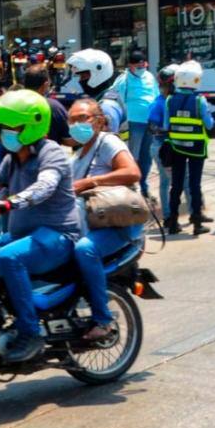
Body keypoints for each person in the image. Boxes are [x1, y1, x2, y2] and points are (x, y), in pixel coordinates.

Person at [0, 89, 82, 363]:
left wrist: (9, 203)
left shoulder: (52, 153)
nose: (5, 134)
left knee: (8, 257)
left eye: (12, 128)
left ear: (32, 125)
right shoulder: (12, 159)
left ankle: (30, 332)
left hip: (58, 235)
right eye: (3, 129)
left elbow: (44, 187)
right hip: (24, 234)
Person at [66, 98, 144, 339]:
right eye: (72, 120)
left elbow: (133, 172)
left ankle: (103, 320)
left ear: (98, 121)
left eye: (83, 118)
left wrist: (90, 182)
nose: (77, 124)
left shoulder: (107, 142)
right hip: (91, 221)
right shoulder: (76, 157)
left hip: (118, 222)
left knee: (85, 250)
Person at [149, 59, 213, 236]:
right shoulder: (200, 101)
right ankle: (197, 223)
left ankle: (173, 221)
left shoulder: (169, 101)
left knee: (175, 186)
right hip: (197, 149)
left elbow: (166, 124)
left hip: (176, 148)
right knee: (194, 184)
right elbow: (209, 125)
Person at [112, 50, 159, 197]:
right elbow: (114, 96)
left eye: (143, 65)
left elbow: (156, 96)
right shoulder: (123, 80)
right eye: (138, 66)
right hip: (133, 123)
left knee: (146, 156)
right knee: (132, 156)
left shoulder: (150, 76)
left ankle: (144, 187)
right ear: (130, 66)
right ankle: (131, 188)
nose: (141, 68)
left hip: (150, 123)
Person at [66, 48, 128, 141]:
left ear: (98, 73)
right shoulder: (103, 96)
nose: (80, 80)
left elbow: (105, 143)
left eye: (83, 76)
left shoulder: (107, 107)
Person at [146, 64, 177, 216]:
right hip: (162, 147)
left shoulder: (175, 101)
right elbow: (151, 128)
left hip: (172, 145)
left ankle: (193, 213)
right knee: (168, 182)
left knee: (181, 182)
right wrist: (169, 129)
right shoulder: (158, 104)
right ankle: (167, 215)